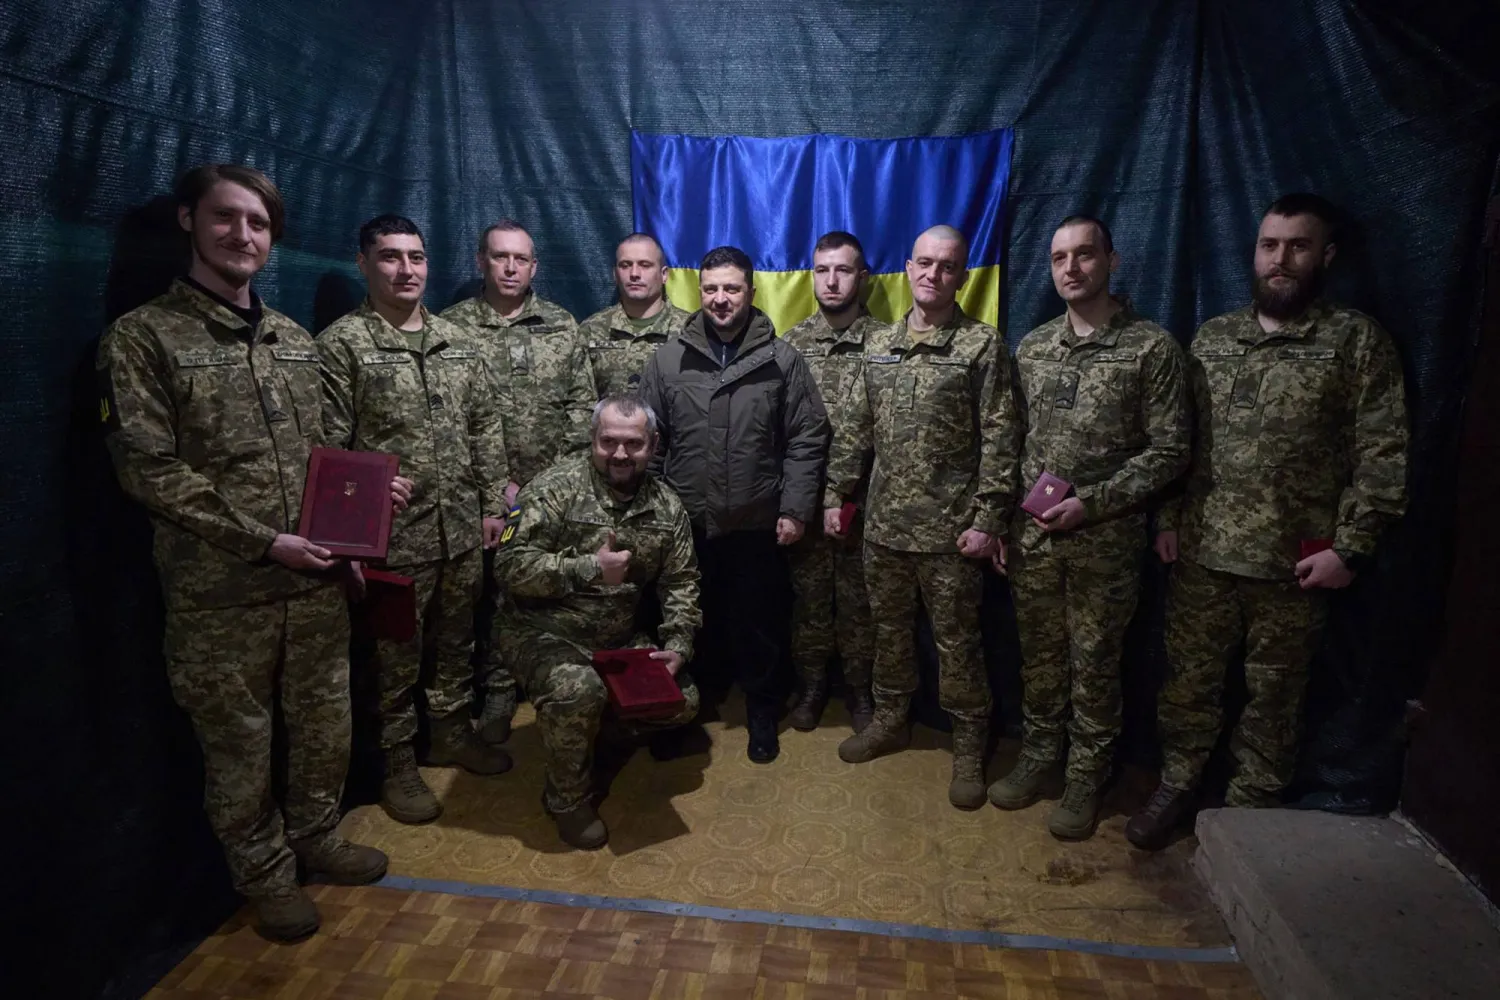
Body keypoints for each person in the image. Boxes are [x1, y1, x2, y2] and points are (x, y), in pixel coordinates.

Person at [97, 165, 411, 942]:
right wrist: (264, 540)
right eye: (226, 219)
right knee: (239, 749)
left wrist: (362, 514)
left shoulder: (295, 344)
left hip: (315, 587)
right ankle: (265, 875)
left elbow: (324, 458)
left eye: (259, 224)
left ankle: (316, 837)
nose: (243, 236)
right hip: (221, 594)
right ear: (187, 222)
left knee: (323, 728)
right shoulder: (144, 339)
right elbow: (147, 470)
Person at [1129, 194, 1409, 849]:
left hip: (1295, 566)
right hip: (1202, 555)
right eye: (1269, 245)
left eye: (1297, 246)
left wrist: (1352, 547)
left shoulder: (1354, 342)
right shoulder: (1214, 338)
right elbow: (1181, 442)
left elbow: (1384, 452)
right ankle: (1177, 786)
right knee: (1188, 690)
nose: (1280, 259)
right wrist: (1167, 517)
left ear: (1326, 256)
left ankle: (1250, 819)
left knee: (1275, 701)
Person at [986, 216, 1190, 840]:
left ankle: (1086, 774)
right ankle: (1041, 754)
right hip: (1036, 540)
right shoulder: (1034, 347)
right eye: (1058, 258)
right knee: (1040, 659)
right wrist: (1001, 520)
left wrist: (1094, 503)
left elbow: (1171, 449)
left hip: (1106, 541)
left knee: (1095, 663)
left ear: (1111, 261)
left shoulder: (1151, 349)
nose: (1070, 268)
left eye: (1083, 255)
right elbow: (1012, 442)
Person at [319, 214, 514, 826]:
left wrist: (492, 507)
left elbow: (486, 429)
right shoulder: (342, 346)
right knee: (393, 657)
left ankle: (451, 733)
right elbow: (325, 450)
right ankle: (397, 763)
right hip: (390, 541)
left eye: (417, 257)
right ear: (364, 263)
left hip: (460, 529)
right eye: (390, 257)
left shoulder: (460, 342)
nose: (406, 270)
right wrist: (365, 493)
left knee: (457, 642)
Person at [825, 225, 1019, 810]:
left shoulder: (981, 346)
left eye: (948, 266)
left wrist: (989, 517)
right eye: (925, 264)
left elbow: (1002, 437)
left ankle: (967, 745)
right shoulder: (879, 345)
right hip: (883, 529)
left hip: (951, 534)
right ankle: (891, 719)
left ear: (961, 276)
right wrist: (836, 493)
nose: (933, 275)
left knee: (957, 643)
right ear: (907, 268)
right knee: (889, 635)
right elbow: (855, 430)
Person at [640, 246, 830, 763]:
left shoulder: (782, 360)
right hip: (687, 523)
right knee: (690, 621)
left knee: (760, 625)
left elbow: (806, 439)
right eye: (710, 289)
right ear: (697, 292)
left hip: (756, 521)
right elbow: (649, 443)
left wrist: (794, 509)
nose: (720, 299)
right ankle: (686, 709)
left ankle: (762, 710)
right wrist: (653, 515)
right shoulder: (668, 358)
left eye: (731, 288)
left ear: (751, 291)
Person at [492, 395, 702, 849]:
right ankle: (566, 799)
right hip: (542, 631)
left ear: (653, 445)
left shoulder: (666, 506)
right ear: (593, 440)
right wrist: (588, 567)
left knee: (682, 701)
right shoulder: (551, 489)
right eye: (608, 442)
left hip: (615, 638)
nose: (620, 454)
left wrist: (679, 644)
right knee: (578, 690)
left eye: (633, 443)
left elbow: (682, 583)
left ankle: (588, 733)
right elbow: (509, 568)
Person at [441, 219, 598, 746]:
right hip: (485, 494)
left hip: (554, 491)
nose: (511, 267)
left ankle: (549, 679)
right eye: (500, 256)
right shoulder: (451, 328)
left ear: (534, 266)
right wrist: (496, 486)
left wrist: (552, 485)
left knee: (547, 585)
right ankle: (498, 689)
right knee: (489, 593)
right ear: (480, 261)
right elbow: (450, 418)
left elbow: (583, 404)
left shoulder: (561, 324)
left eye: (521, 259)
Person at [781, 232, 883, 732]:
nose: (832, 280)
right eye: (823, 270)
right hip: (804, 500)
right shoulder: (791, 346)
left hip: (866, 502)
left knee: (861, 602)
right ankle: (813, 685)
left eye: (843, 270)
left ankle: (861, 693)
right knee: (810, 601)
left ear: (862, 277)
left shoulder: (887, 344)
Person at [578, 233, 690, 397]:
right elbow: (580, 399)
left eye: (645, 265)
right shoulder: (592, 329)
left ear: (664, 274)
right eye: (625, 265)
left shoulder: (691, 329)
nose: (634, 273)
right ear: (615, 274)